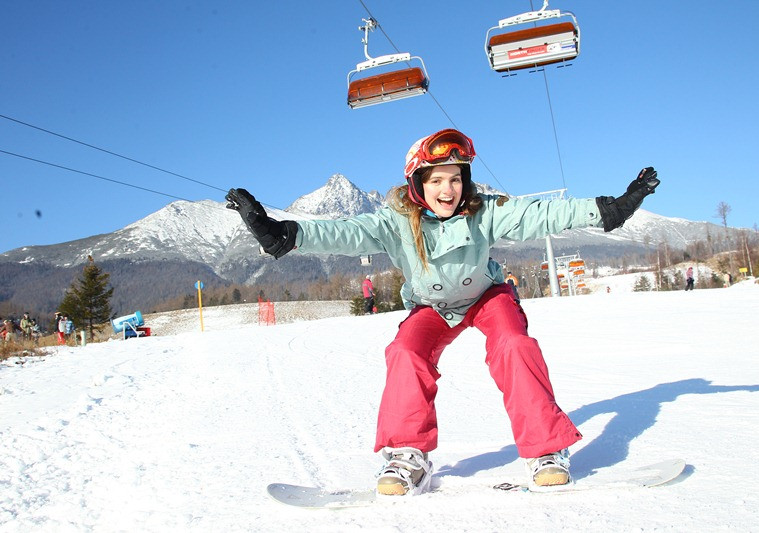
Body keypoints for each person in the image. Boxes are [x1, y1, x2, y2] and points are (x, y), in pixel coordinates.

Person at [226, 128, 660, 495]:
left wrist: (609, 209)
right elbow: (342, 233)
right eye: (436, 180)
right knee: (404, 353)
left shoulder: (484, 211)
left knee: (512, 343)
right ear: (417, 183)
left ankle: (545, 448)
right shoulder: (394, 221)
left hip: (486, 297)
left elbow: (543, 213)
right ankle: (408, 457)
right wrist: (281, 233)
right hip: (432, 307)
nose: (447, 190)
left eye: (455, 179)